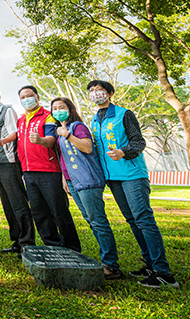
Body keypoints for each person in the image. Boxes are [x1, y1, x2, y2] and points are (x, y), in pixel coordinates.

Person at [87, 80, 179, 288]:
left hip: (132, 175)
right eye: (91, 91)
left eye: (99, 90)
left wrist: (123, 152)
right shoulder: (94, 120)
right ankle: (149, 264)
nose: (95, 94)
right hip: (113, 177)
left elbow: (138, 142)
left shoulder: (123, 114)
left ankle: (163, 272)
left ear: (110, 93)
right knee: (132, 219)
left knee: (144, 219)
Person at [50, 96, 121, 280]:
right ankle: (107, 261)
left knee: (98, 221)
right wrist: (65, 179)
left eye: (61, 107)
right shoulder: (59, 130)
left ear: (70, 109)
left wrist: (68, 135)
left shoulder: (77, 127)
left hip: (88, 180)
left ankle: (111, 265)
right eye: (54, 108)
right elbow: (64, 157)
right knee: (91, 221)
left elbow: (88, 148)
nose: (58, 110)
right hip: (73, 181)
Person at [16, 85, 81, 252]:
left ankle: (71, 248)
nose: (26, 99)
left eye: (29, 96)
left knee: (58, 210)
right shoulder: (21, 120)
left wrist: (40, 140)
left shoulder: (48, 116)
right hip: (28, 173)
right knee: (38, 212)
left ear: (37, 97)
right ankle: (52, 245)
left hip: (48, 170)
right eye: (22, 97)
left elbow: (51, 139)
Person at [0, 86, 35, 254]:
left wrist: (3, 141)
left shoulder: (7, 110)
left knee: (18, 202)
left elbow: (15, 133)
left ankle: (27, 241)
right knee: (7, 203)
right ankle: (16, 240)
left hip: (9, 162)